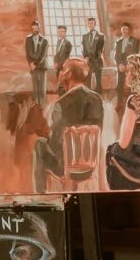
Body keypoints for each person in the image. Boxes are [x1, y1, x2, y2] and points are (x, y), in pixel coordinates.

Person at [30, 57, 101, 194]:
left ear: (68, 74)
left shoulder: (60, 104)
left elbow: (55, 144)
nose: (60, 73)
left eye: (63, 70)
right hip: (90, 166)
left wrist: (47, 133)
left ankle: (40, 193)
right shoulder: (96, 99)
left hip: (66, 166)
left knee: (40, 143)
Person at [104, 54, 140, 191]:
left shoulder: (133, 101)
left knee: (110, 151)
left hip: (135, 162)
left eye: (131, 71)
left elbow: (123, 143)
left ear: (138, 74)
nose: (127, 75)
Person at [24, 16, 50, 109]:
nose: (35, 29)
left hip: (41, 66)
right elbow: (27, 53)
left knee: (42, 87)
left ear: (39, 28)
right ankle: (35, 104)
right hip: (32, 67)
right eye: (33, 27)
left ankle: (42, 105)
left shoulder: (45, 41)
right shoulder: (28, 39)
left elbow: (43, 55)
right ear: (31, 28)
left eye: (36, 27)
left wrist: (36, 64)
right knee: (35, 87)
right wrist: (31, 63)